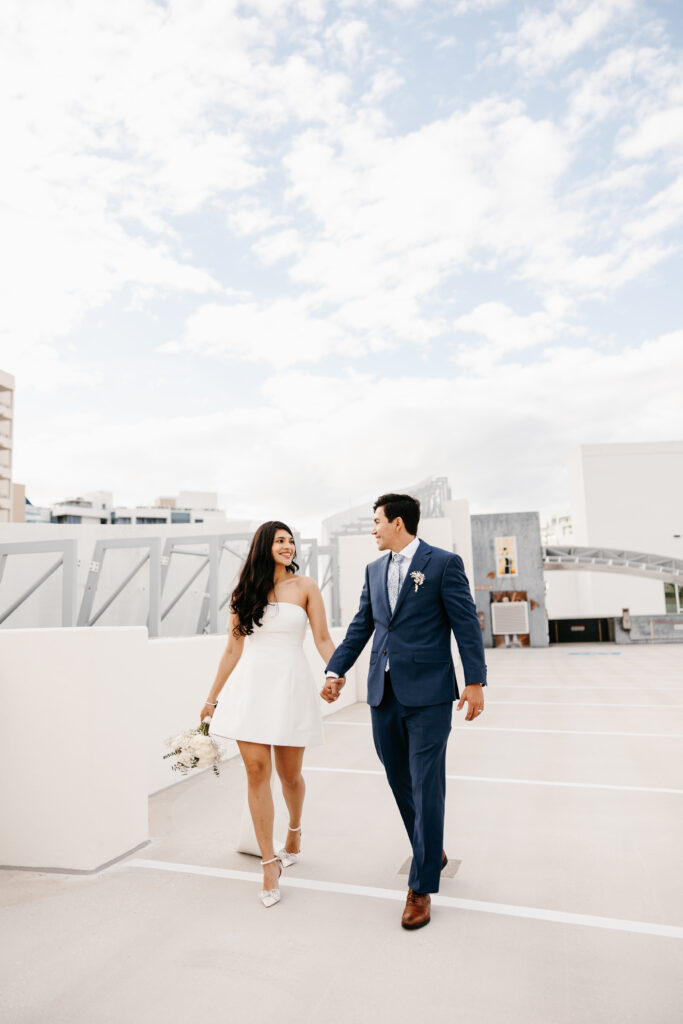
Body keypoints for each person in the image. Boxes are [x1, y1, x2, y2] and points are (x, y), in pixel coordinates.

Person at [322, 493, 487, 930]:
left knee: (426, 782)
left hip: (430, 694)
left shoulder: (443, 564)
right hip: (384, 692)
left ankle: (421, 885)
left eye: (376, 521)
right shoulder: (374, 570)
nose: (372, 529)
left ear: (397, 522)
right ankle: (432, 847)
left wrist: (474, 681)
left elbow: (465, 623)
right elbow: (363, 625)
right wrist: (336, 669)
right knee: (400, 779)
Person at [201, 521, 335, 909]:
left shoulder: (306, 587)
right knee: (256, 771)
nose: (288, 546)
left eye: (291, 541)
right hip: (251, 690)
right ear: (264, 545)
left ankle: (294, 831)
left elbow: (323, 638)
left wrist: (335, 672)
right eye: (280, 541)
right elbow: (232, 649)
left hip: (290, 687)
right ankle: (268, 862)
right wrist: (211, 698)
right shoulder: (245, 593)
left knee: (289, 775)